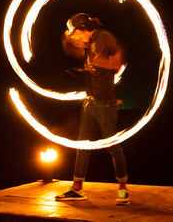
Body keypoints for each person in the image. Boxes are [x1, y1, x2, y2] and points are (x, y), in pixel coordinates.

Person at [55, 13, 129, 205]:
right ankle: (77, 188)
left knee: (112, 146)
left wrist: (97, 63)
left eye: (77, 32)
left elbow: (117, 57)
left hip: (104, 102)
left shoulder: (103, 37)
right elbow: (75, 51)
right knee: (82, 145)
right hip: (90, 100)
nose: (77, 37)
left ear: (84, 28)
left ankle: (123, 190)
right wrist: (68, 40)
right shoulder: (91, 43)